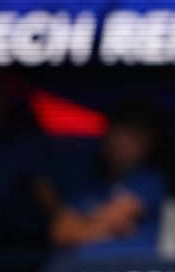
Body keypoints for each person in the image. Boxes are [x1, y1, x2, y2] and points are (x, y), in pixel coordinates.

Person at [49, 101, 168, 259]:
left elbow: (117, 216)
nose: (122, 144)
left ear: (146, 145)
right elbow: (60, 233)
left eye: (132, 138)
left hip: (133, 265)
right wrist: (110, 227)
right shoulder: (88, 189)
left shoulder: (150, 181)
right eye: (117, 135)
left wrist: (82, 223)